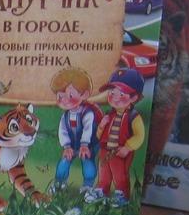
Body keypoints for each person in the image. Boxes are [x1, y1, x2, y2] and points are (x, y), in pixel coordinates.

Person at [90, 67, 146, 206]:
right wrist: (101, 126)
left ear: (134, 97)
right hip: (105, 150)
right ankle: (101, 190)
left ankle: (122, 195)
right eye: (112, 93)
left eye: (121, 94)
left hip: (121, 151)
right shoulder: (109, 115)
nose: (115, 98)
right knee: (104, 171)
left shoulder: (134, 117)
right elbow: (99, 136)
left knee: (119, 173)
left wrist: (128, 147)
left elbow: (139, 135)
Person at [48, 67, 100, 197]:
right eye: (60, 96)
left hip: (89, 144)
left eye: (70, 95)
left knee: (88, 162)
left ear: (84, 95)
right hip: (72, 145)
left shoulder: (87, 113)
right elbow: (63, 131)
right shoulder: (65, 115)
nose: (64, 99)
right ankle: (59, 184)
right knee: (64, 161)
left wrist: (84, 145)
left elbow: (88, 129)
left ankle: (88, 186)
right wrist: (67, 146)